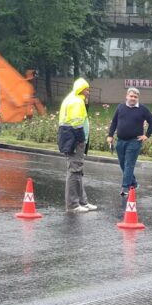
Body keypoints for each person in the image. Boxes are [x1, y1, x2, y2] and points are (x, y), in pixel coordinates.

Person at [58, 78, 98, 213]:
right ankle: (73, 204)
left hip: (70, 138)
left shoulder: (73, 99)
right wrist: (81, 140)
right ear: (81, 90)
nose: (88, 92)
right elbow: (77, 123)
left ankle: (82, 202)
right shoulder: (77, 101)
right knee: (74, 171)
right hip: (75, 139)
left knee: (78, 170)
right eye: (87, 90)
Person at [107, 87, 152, 196]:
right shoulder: (120, 107)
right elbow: (114, 122)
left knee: (129, 164)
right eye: (131, 96)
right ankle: (133, 183)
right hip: (121, 141)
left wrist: (146, 135)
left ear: (138, 98)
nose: (133, 98)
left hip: (134, 141)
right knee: (123, 164)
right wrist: (110, 135)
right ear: (127, 96)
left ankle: (125, 187)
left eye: (135, 97)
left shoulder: (143, 109)